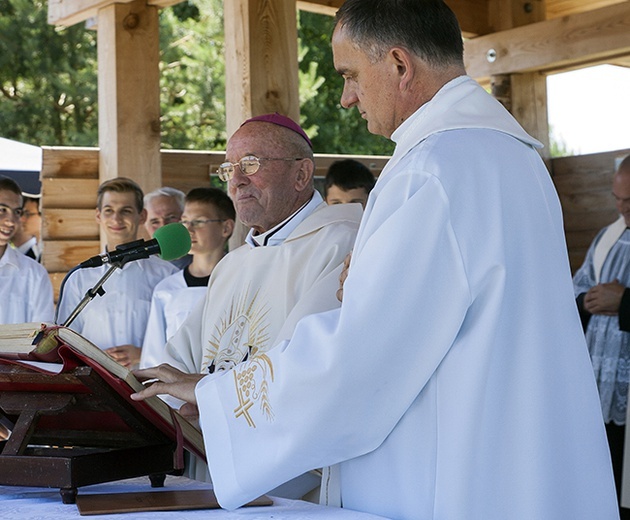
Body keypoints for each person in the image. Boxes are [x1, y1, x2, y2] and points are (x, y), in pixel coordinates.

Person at [132, 2, 618, 518]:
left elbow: (360, 358)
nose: (345, 98)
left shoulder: (431, 170)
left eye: (350, 75)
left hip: (449, 476)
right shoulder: (510, 156)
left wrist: (218, 393)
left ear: (399, 65)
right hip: (512, 460)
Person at [138, 113, 361, 489]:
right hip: (210, 466)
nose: (237, 180)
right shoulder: (233, 264)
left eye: (251, 165)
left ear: (301, 174)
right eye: (229, 169)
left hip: (291, 482)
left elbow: (306, 363)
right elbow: (177, 364)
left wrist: (208, 396)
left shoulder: (340, 242)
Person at [56, 177, 177, 366]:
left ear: (142, 216)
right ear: (98, 216)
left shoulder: (166, 275)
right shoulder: (79, 277)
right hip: (95, 385)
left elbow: (178, 337)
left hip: (149, 384)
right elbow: (65, 340)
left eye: (126, 211)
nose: (116, 219)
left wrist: (144, 353)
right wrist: (93, 358)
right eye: (109, 211)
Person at [573, 154, 630, 517]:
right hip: (599, 392)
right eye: (618, 199)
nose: (623, 210)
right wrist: (587, 301)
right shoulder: (608, 237)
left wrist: (625, 302)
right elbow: (576, 289)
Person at [140, 187, 235, 369]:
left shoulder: (241, 280)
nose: (188, 229)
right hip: (174, 394)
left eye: (198, 222)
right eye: (184, 222)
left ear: (226, 228)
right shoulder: (167, 289)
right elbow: (154, 355)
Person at [0, 177, 53, 324]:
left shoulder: (35, 273)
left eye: (17, 212)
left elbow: (42, 337)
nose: (10, 221)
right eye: (2, 209)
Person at [144, 187, 192, 269]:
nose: (163, 226)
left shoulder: (206, 262)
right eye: (155, 222)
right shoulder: (142, 267)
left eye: (171, 218)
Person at [11, 195, 42, 261]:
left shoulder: (52, 252)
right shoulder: (36, 251)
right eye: (23, 213)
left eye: (28, 214)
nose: (22, 219)